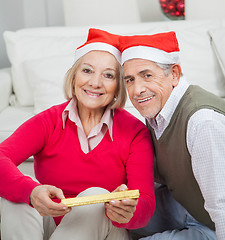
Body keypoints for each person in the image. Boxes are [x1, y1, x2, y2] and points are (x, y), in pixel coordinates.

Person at [0, 28, 155, 240]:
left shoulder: (135, 132)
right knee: (16, 196)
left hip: (106, 231)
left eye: (108, 75)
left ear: (118, 86)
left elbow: (145, 201)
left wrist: (127, 210)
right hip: (53, 227)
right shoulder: (48, 121)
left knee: (95, 195)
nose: (95, 82)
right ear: (74, 77)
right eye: (87, 71)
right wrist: (30, 191)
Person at [119, 31, 225, 240]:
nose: (137, 89)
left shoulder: (202, 122)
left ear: (174, 74)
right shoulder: (158, 109)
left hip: (212, 223)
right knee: (117, 215)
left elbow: (222, 205)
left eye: (146, 75)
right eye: (129, 80)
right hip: (184, 204)